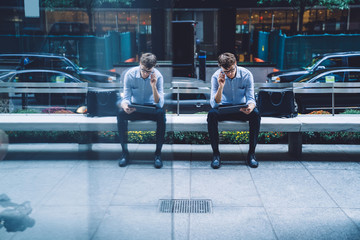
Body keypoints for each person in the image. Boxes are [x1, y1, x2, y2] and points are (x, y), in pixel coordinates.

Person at [207, 52, 261, 169]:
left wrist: (250, 107)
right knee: (211, 115)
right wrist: (221, 86)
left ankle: (251, 154)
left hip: (241, 109)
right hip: (223, 109)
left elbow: (251, 98)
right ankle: (216, 154)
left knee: (255, 114)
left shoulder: (246, 75)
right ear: (220, 67)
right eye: (226, 71)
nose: (229, 74)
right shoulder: (216, 76)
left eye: (231, 70)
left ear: (235, 63)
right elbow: (214, 104)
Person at [117, 53, 166, 168]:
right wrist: (125, 106)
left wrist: (153, 86)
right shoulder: (130, 75)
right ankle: (125, 153)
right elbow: (126, 97)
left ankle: (158, 154)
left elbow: (160, 104)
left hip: (152, 109)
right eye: (143, 70)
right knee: (120, 114)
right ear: (140, 64)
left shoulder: (158, 76)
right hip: (135, 108)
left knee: (161, 115)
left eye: (148, 71)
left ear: (154, 66)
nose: (145, 74)